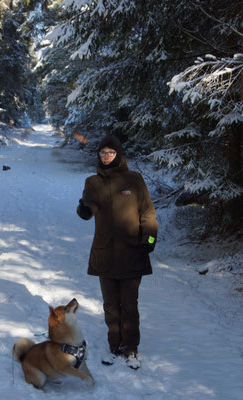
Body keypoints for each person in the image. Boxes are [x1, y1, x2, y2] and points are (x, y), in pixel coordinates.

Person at [77, 135, 158, 370]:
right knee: (111, 306)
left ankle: (131, 349)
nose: (106, 156)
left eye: (111, 152)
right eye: (103, 153)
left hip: (133, 253)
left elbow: (148, 214)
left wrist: (149, 240)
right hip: (105, 255)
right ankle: (114, 347)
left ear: (119, 155)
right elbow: (88, 210)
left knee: (129, 305)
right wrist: (82, 209)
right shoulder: (93, 182)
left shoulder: (134, 180)